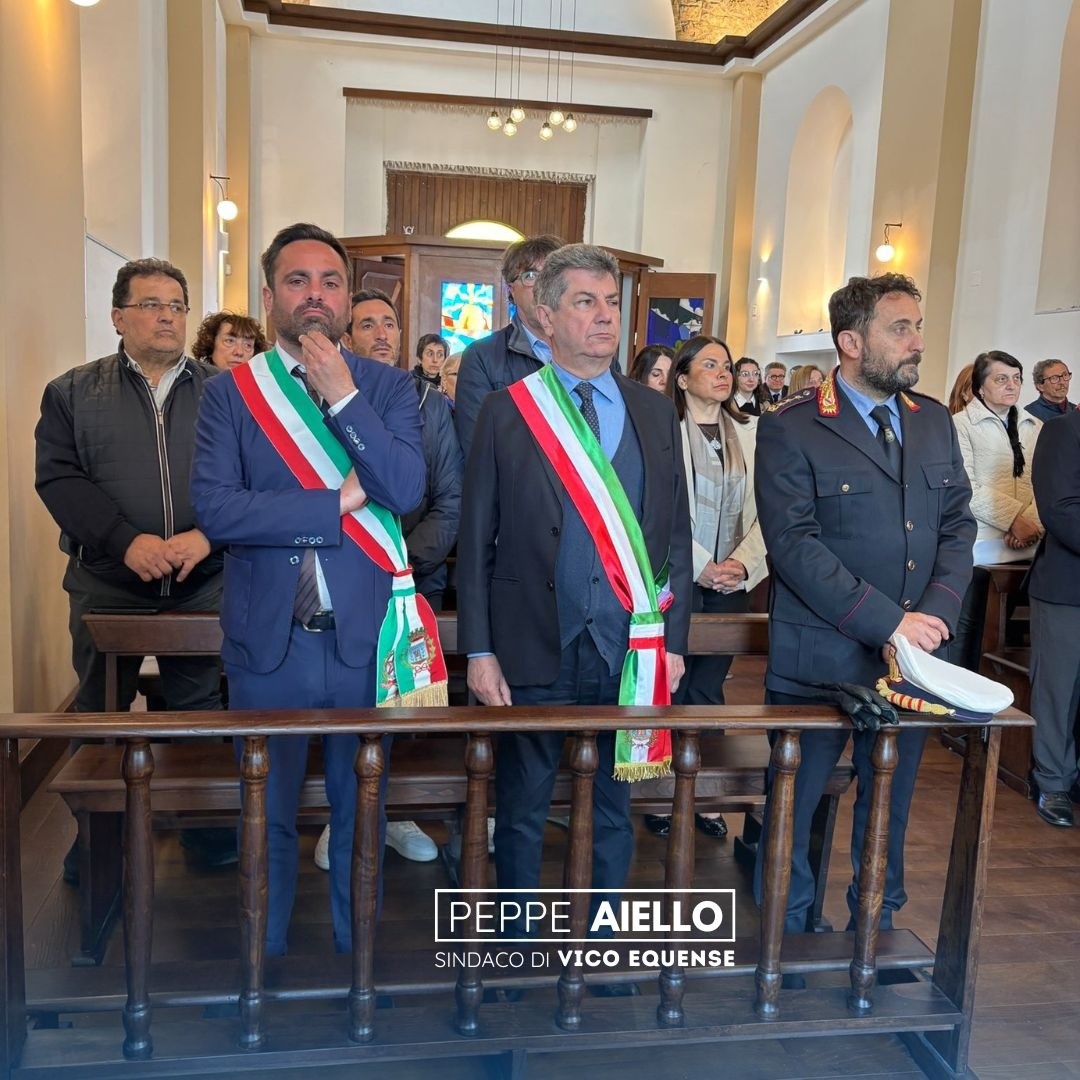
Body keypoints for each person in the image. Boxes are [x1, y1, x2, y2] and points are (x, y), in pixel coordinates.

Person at [190, 223, 426, 955]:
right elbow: (218, 510)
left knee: (363, 812)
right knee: (266, 814)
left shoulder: (386, 387)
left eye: (330, 281)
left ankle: (361, 962)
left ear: (347, 297)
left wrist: (344, 398)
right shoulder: (230, 394)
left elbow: (406, 488)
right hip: (270, 642)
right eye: (297, 280)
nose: (315, 294)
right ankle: (262, 961)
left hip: (365, 641)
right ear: (269, 296)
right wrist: (337, 504)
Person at [458, 244, 692, 963]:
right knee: (522, 806)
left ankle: (602, 938)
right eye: (585, 302)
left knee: (616, 807)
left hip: (629, 647)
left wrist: (674, 643)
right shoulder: (507, 410)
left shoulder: (655, 412)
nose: (603, 317)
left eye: (611, 303)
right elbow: (476, 539)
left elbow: (676, 537)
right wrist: (479, 649)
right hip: (533, 642)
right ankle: (517, 943)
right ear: (546, 314)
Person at [753, 273, 975, 942]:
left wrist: (932, 616)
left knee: (889, 810)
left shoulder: (931, 419)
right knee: (794, 812)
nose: (918, 342)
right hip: (820, 660)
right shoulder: (792, 426)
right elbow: (794, 546)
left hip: (911, 663)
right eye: (900, 329)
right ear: (851, 342)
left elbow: (957, 526)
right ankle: (785, 939)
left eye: (918, 327)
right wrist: (890, 623)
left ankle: (874, 932)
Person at [35, 257, 231, 873]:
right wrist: (125, 541)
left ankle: (202, 828)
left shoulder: (225, 392)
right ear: (118, 317)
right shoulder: (72, 392)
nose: (167, 317)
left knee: (198, 711)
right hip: (107, 581)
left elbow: (249, 477)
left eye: (177, 305)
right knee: (101, 713)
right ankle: (98, 839)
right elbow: (60, 480)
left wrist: (208, 535)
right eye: (151, 305)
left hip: (201, 581)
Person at [311, 288, 462, 867]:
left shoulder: (427, 403)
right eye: (367, 323)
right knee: (340, 702)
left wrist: (401, 563)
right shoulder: (317, 393)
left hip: (409, 581)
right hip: (336, 577)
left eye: (390, 323)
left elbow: (448, 500)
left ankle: (391, 812)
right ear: (347, 336)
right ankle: (339, 818)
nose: (381, 333)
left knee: (398, 704)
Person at [642, 336, 767, 841]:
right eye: (710, 365)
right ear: (682, 377)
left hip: (733, 580)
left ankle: (703, 795)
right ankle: (658, 791)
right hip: (678, 575)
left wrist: (741, 563)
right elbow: (655, 508)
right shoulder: (662, 430)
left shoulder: (753, 432)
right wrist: (700, 566)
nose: (723, 374)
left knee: (708, 689)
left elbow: (770, 507)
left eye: (728, 366)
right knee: (668, 686)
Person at [951, 351, 1042, 673]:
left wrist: (1031, 525)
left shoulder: (1035, 426)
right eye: (1001, 379)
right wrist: (1014, 520)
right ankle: (957, 695)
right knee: (968, 629)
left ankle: (1004, 693)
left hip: (1028, 547)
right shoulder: (960, 425)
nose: (1011, 385)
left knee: (1012, 638)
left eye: (1016, 378)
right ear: (979, 387)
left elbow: (1045, 482)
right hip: (981, 547)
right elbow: (966, 485)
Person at [454, 233, 563, 459]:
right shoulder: (482, 357)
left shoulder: (592, 354)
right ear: (511, 289)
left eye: (552, 273)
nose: (543, 285)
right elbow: (478, 449)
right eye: (531, 275)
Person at [1027, 408, 1080, 826]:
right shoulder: (1063, 431)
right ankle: (1052, 781)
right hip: (1067, 587)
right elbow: (1059, 509)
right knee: (1057, 691)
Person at [192, 311, 269, 371]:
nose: (239, 352)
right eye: (230, 341)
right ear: (211, 346)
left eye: (248, 345)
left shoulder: (263, 386)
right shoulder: (196, 384)